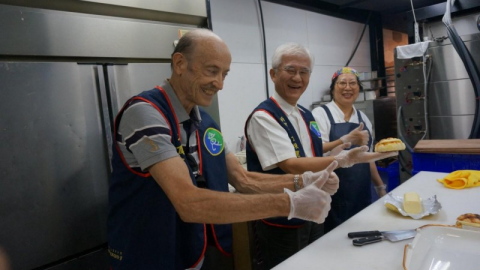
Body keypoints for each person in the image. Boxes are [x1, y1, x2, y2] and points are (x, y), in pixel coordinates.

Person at [107, 29, 341, 270]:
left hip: (188, 250)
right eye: (211, 70)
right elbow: (189, 202)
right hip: (145, 254)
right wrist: (290, 204)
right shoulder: (145, 113)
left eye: (224, 74)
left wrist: (303, 181)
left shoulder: (204, 122)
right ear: (179, 63)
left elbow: (243, 179)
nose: (219, 84)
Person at [245, 43, 397, 269]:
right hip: (282, 213)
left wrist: (373, 178)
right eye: (291, 70)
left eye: (304, 72)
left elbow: (316, 151)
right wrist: (344, 158)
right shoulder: (264, 116)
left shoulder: (305, 115)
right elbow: (290, 164)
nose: (298, 78)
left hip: (314, 209)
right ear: (273, 74)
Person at [312, 67, 388, 234]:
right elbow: (317, 149)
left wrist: (380, 189)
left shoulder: (363, 118)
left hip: (361, 193)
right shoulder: (320, 114)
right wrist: (345, 140)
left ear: (359, 89)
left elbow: (368, 158)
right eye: (342, 83)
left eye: (353, 83)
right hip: (332, 194)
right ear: (333, 88)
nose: (348, 88)